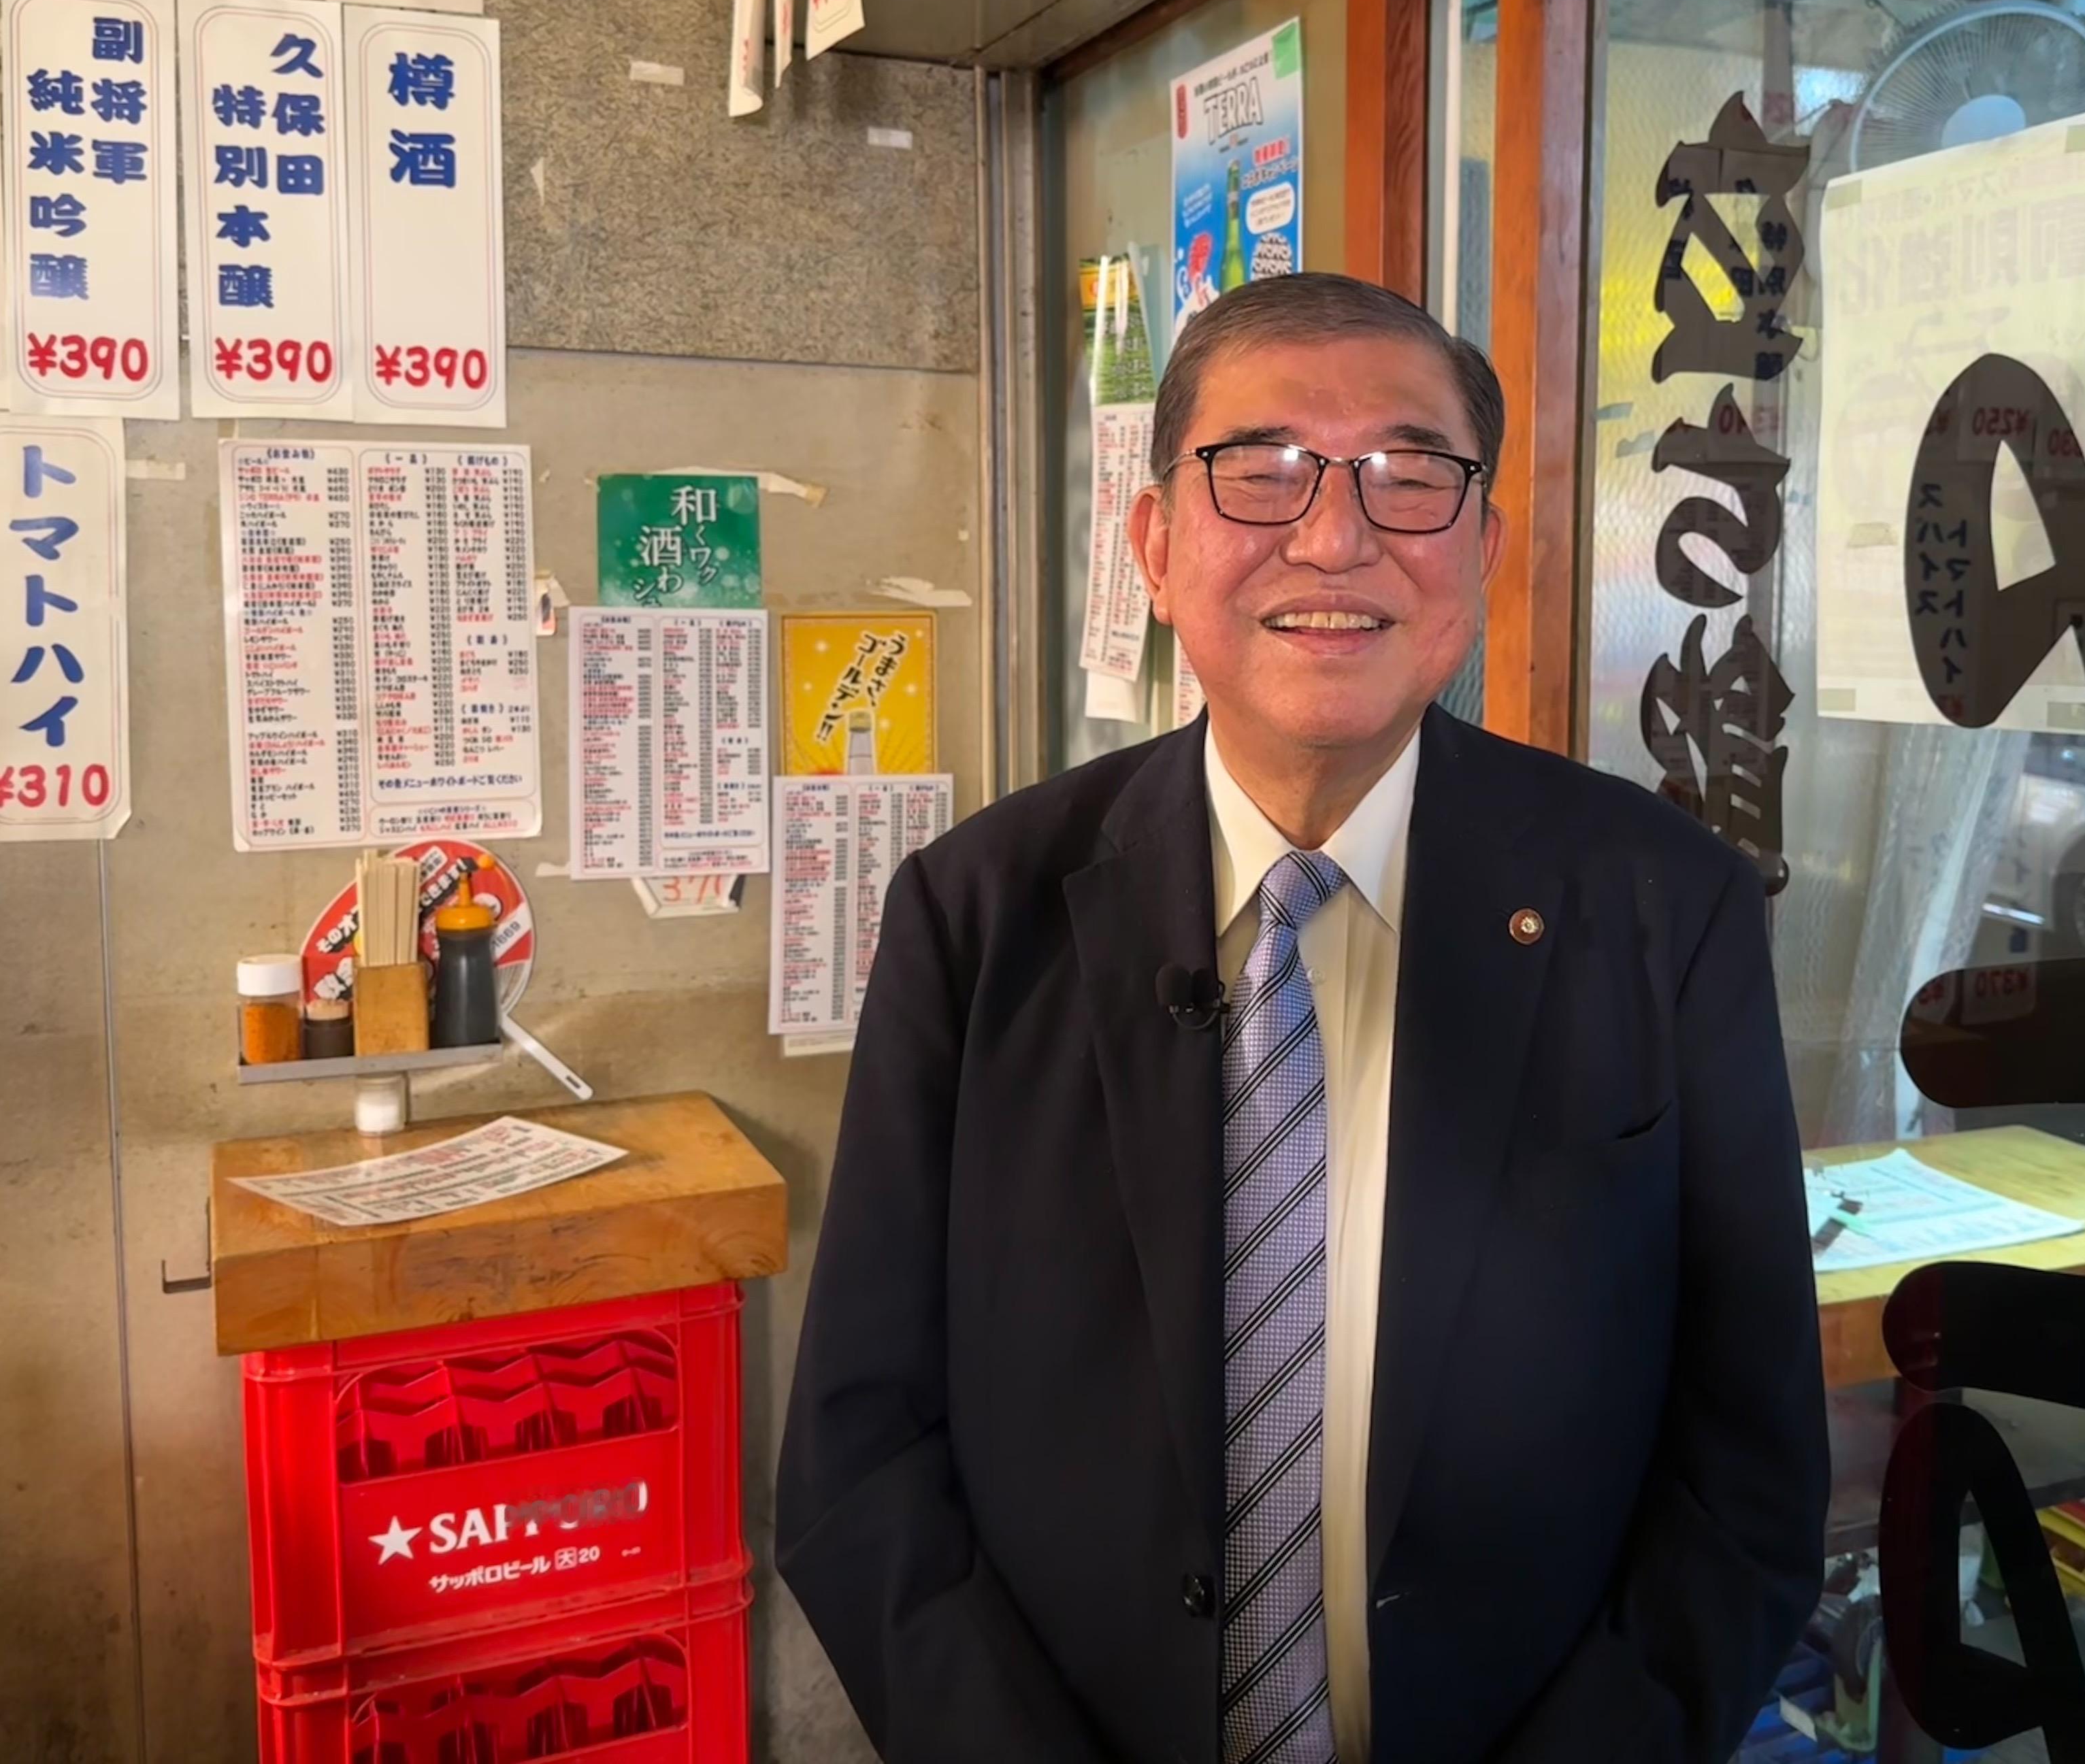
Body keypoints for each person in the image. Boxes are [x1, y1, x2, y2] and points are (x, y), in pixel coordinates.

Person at [778, 272, 1827, 1764]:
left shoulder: (1665, 909)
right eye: (1262, 470)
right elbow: (861, 1455)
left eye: (1410, 475)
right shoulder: (978, 913)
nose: (1336, 538)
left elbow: (1747, 1475)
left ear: (1482, 548)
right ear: (1156, 544)